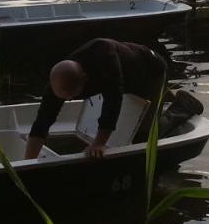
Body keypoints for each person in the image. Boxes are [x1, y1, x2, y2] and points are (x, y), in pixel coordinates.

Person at [24, 37, 169, 160]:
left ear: (85, 79)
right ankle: (166, 97)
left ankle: (182, 107)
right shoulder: (59, 80)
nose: (67, 101)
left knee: (145, 135)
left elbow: (113, 103)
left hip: (151, 71)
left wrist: (99, 143)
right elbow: (42, 121)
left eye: (72, 97)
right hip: (126, 78)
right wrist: (28, 163)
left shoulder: (106, 60)